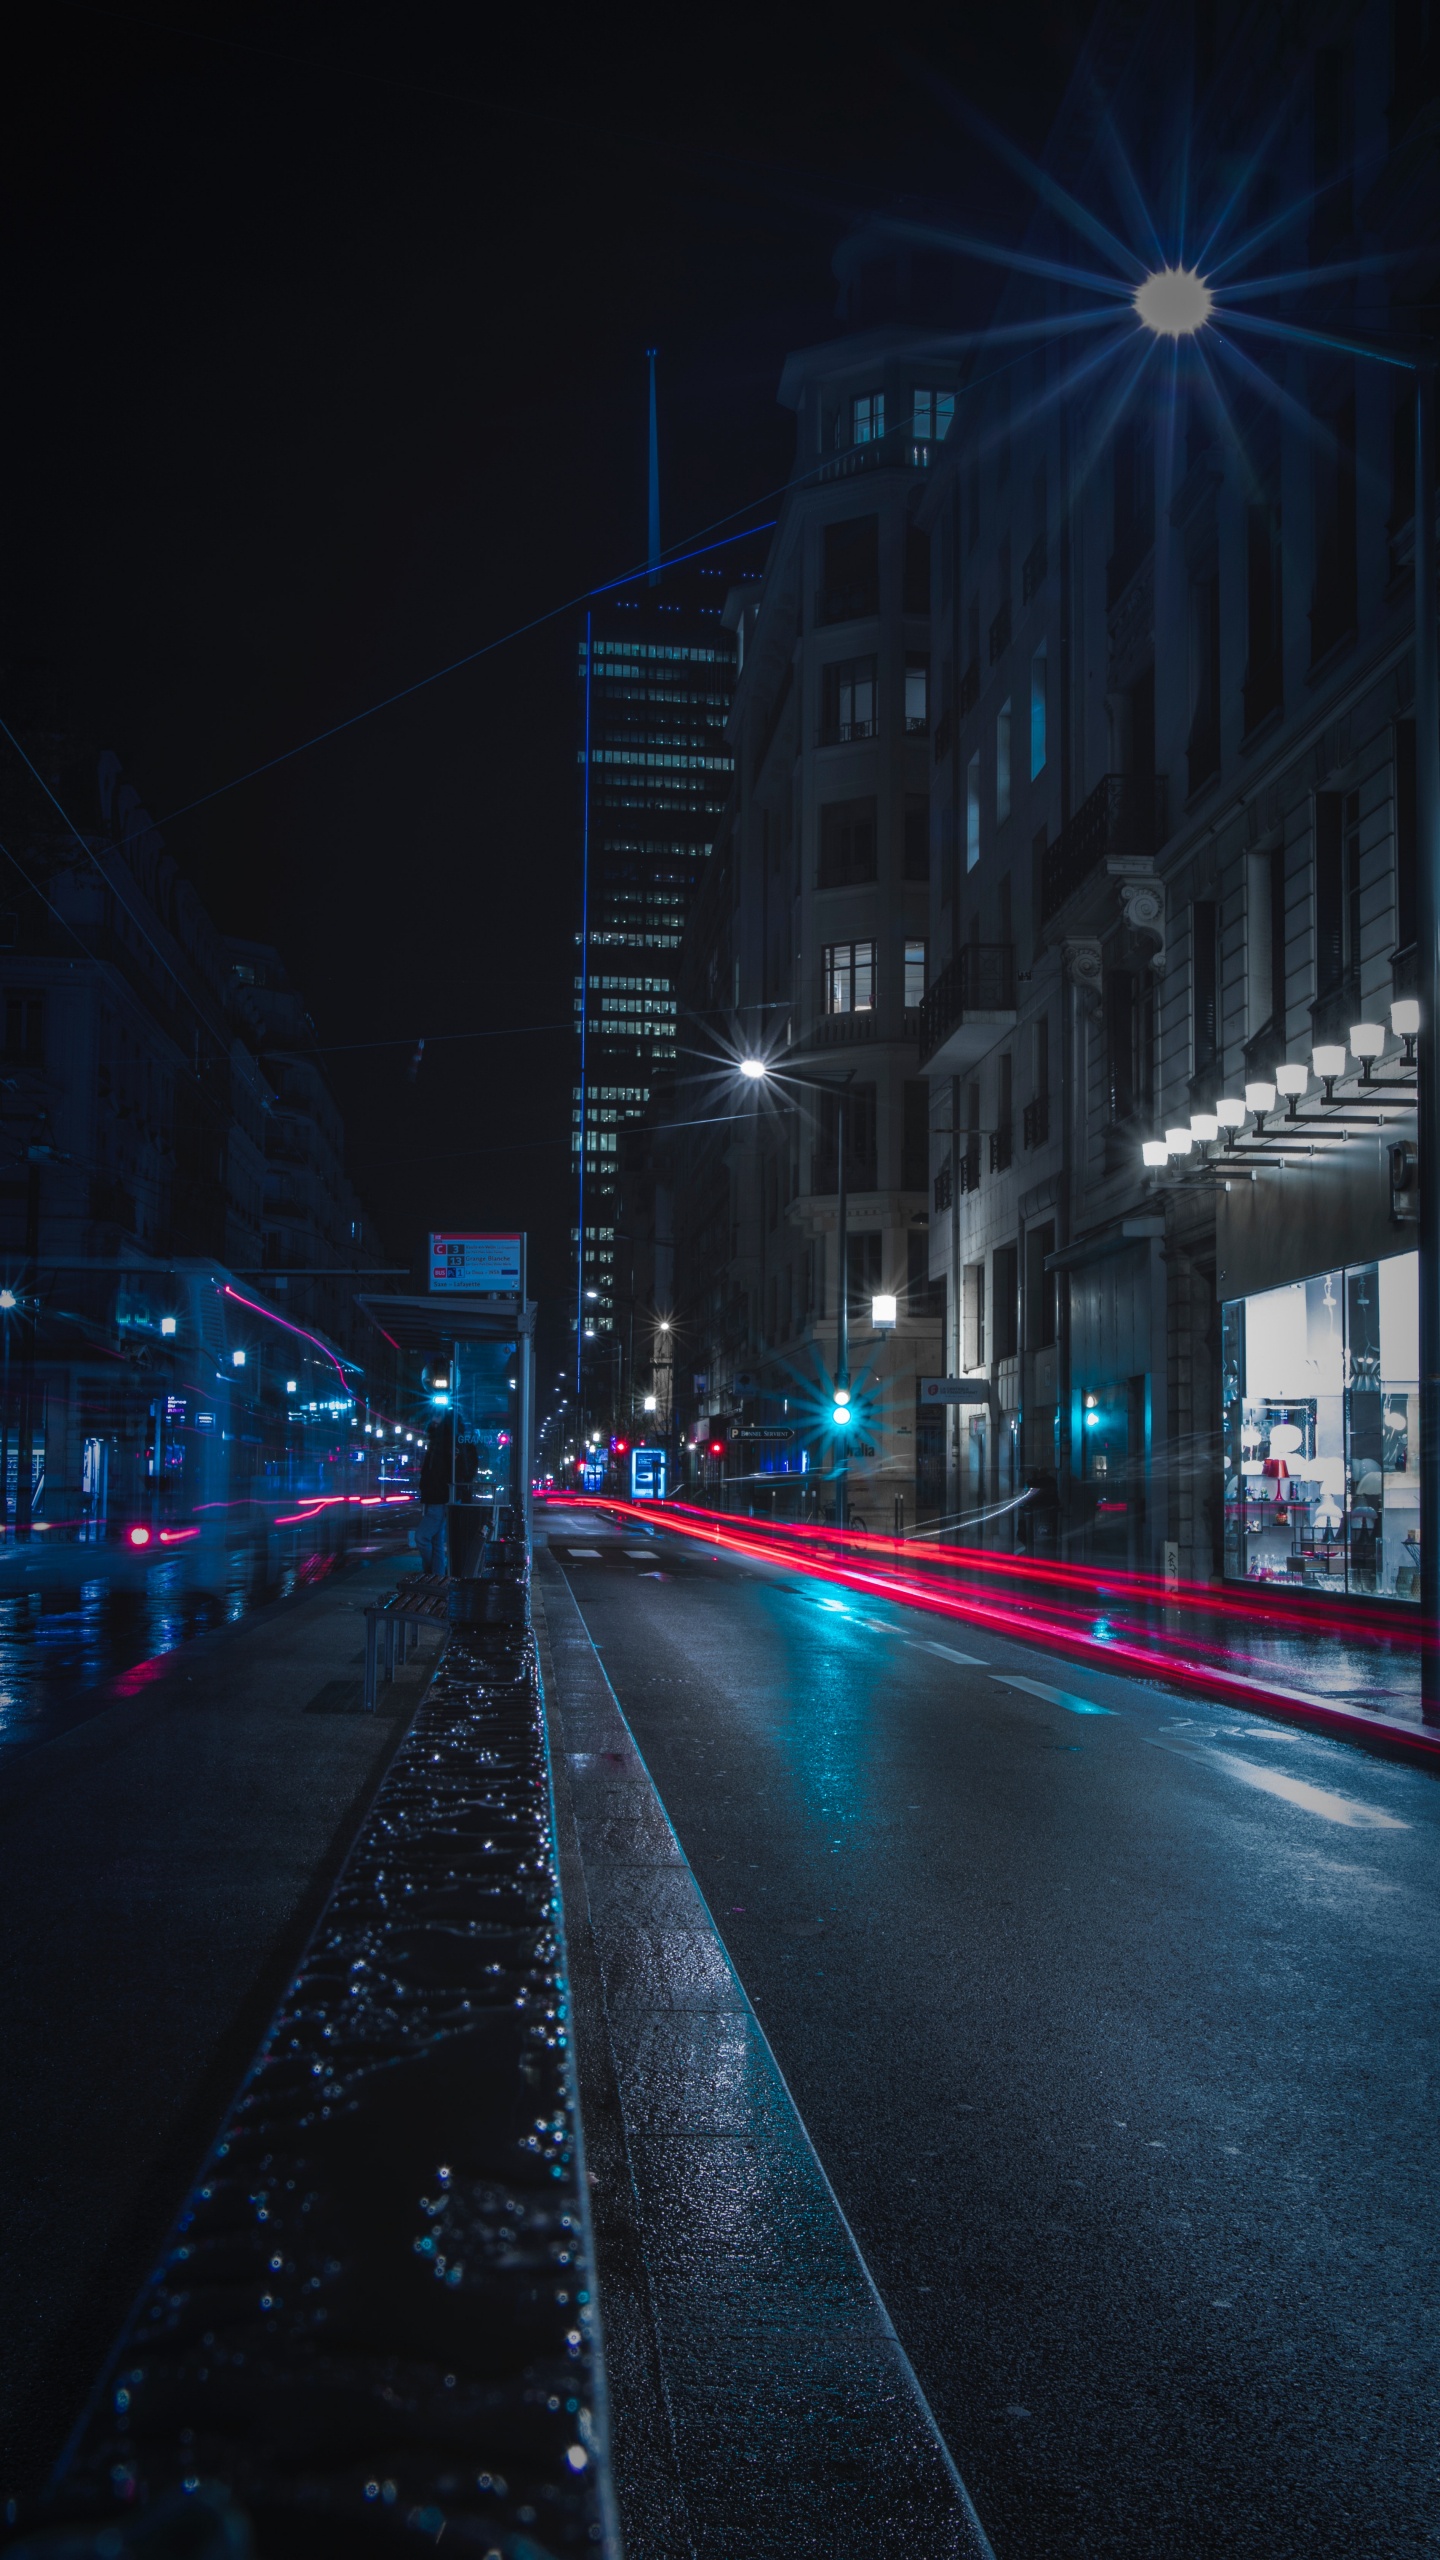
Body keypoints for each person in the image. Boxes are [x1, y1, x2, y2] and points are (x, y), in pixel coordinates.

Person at [416, 1416, 452, 1575]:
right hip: (436, 1498)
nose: (433, 1425)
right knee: (436, 1542)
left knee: (422, 1538)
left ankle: (431, 1571)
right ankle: (436, 1576)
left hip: (437, 1498)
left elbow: (433, 1474)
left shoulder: (440, 1446)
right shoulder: (438, 1446)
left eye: (436, 1423)